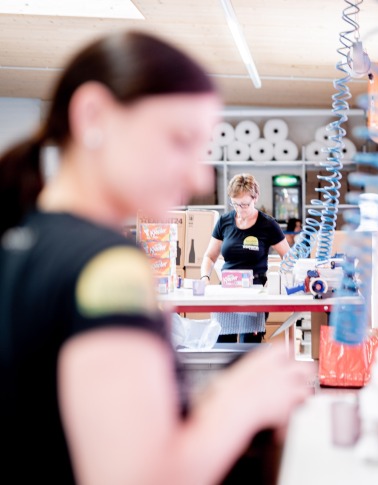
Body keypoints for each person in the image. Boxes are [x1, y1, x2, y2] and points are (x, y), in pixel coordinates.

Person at [0, 31, 312, 484]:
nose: (199, 173)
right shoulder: (110, 268)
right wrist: (240, 402)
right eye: (180, 139)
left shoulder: (21, 235)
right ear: (93, 115)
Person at [201, 174, 291, 343]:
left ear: (255, 198)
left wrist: (274, 280)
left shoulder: (268, 225)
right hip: (226, 293)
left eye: (245, 204)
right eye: (235, 204)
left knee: (248, 346)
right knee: (222, 344)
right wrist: (205, 277)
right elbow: (209, 256)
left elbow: (289, 258)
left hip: (255, 295)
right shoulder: (224, 222)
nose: (240, 209)